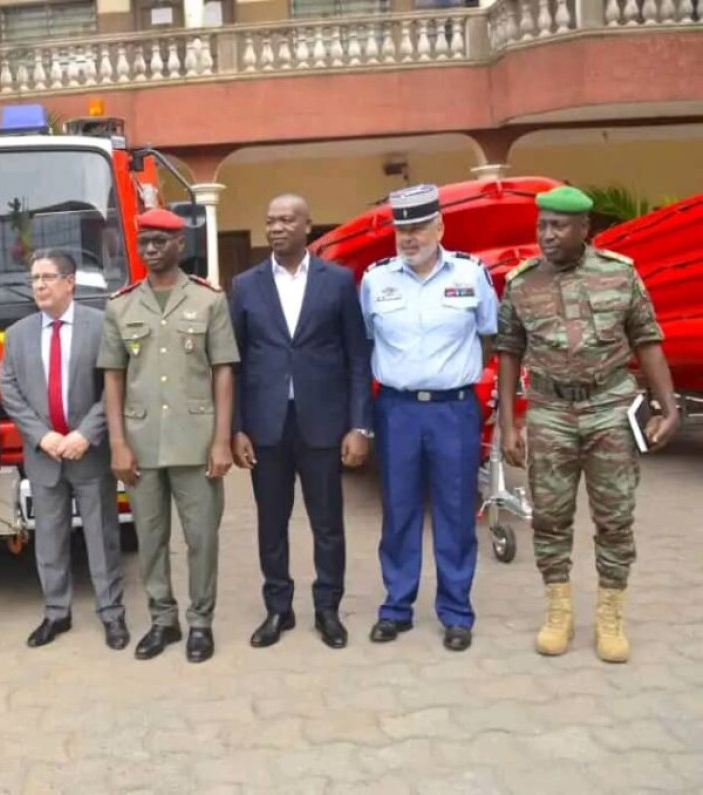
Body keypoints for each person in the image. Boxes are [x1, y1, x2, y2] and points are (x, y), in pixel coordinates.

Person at [496, 185, 680, 663]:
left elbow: (647, 339)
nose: (547, 235)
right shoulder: (521, 283)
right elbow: (509, 351)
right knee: (551, 516)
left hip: (609, 408)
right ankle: (558, 612)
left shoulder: (619, 275)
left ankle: (610, 615)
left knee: (615, 517)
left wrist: (669, 407)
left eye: (558, 226)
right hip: (551, 412)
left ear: (585, 230)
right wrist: (508, 425)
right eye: (542, 226)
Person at [359, 184, 499, 652]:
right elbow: (365, 343)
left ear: (440, 227)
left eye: (418, 227)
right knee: (398, 510)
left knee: (456, 512)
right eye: (402, 229)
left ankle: (456, 612)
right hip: (396, 409)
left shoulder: (471, 273)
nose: (409, 237)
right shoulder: (376, 280)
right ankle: (396, 606)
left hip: (453, 410)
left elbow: (489, 335)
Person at [229, 194, 372, 651]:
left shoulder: (338, 281)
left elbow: (357, 357)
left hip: (324, 424)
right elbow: (231, 363)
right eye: (270, 220)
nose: (276, 228)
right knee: (272, 523)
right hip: (265, 427)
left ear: (307, 226)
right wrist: (236, 427)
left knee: (327, 522)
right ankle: (278, 609)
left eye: (287, 220)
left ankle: (327, 608)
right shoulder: (246, 285)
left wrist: (359, 425)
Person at [97, 207, 240, 664]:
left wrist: (221, 439)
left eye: (161, 240)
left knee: (202, 537)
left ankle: (201, 621)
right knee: (150, 537)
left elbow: (223, 371)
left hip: (196, 440)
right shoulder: (120, 305)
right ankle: (163, 620)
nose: (152, 249)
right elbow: (113, 378)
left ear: (181, 245)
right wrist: (118, 443)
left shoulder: (209, 301)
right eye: (145, 242)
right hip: (141, 442)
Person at [0, 249, 128, 650]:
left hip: (89, 452)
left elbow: (115, 383)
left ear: (70, 282)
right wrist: (42, 436)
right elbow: (9, 389)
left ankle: (111, 613)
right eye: (34, 278)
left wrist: (87, 433)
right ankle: (56, 612)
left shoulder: (100, 324)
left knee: (101, 535)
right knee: (48, 539)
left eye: (47, 277)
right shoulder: (18, 333)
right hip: (44, 456)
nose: (39, 285)